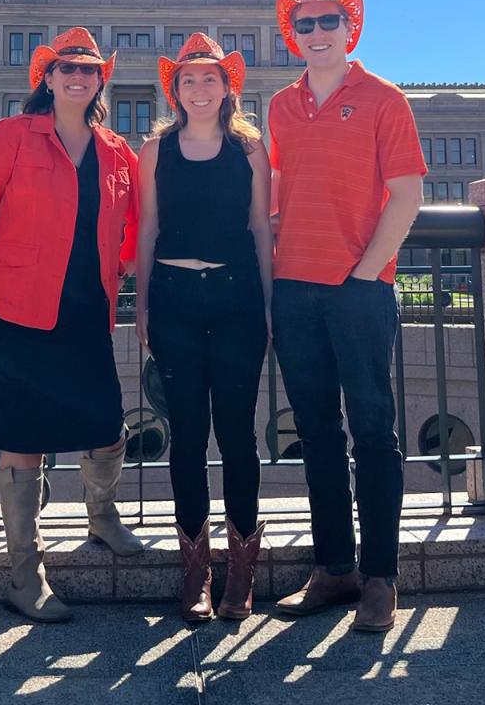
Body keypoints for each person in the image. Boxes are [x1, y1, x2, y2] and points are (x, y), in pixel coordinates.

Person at [0, 27, 143, 624]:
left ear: (100, 80)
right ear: (48, 78)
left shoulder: (116, 151)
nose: (77, 77)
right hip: (14, 310)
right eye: (67, 68)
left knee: (108, 427)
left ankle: (102, 517)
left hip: (86, 312)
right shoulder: (9, 136)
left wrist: (138, 274)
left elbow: (135, 225)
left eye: (88, 69)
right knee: (22, 440)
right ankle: (24, 573)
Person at [268, 0, 427, 633]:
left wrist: (365, 273)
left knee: (372, 431)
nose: (316, 33)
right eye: (304, 24)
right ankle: (334, 567)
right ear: (293, 34)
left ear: (348, 27)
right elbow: (276, 189)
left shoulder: (385, 98)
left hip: (359, 291)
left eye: (328, 21)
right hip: (293, 289)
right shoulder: (280, 105)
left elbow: (407, 194)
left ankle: (381, 577)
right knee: (317, 436)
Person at [135, 33, 273, 622]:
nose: (198, 88)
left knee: (238, 434)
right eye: (187, 79)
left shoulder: (250, 150)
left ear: (227, 87)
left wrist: (268, 304)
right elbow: (146, 230)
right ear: (175, 89)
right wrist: (140, 305)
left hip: (238, 297)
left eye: (209, 78)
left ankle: (241, 571)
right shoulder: (155, 150)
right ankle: (196, 569)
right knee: (187, 436)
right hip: (172, 299)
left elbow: (262, 230)